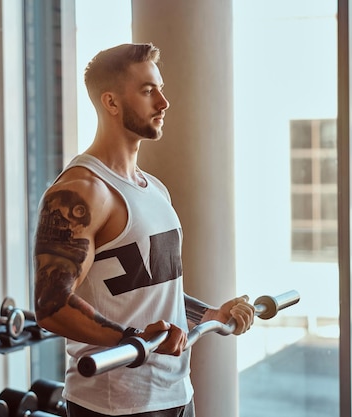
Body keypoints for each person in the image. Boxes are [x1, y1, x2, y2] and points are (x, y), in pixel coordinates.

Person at [33, 43, 255, 417]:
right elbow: (51, 306)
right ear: (112, 103)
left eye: (160, 89)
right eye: (148, 91)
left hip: (176, 395)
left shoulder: (153, 188)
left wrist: (209, 314)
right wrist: (133, 340)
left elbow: (151, 290)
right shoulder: (82, 191)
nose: (164, 102)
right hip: (114, 404)